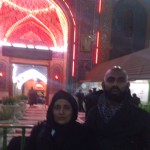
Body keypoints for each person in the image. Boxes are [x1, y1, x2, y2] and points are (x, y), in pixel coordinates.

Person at [85, 66, 150, 150]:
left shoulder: (142, 117)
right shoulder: (93, 114)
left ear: (127, 85)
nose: (115, 84)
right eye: (111, 80)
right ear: (103, 85)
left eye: (121, 80)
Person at [24, 90, 98, 150]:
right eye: (57, 108)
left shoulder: (84, 134)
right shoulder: (39, 132)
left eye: (66, 108)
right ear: (51, 110)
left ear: (73, 111)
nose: (61, 112)